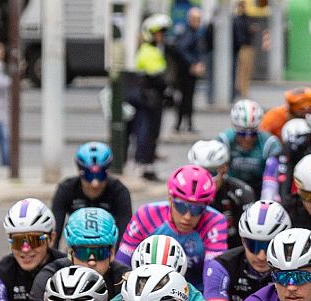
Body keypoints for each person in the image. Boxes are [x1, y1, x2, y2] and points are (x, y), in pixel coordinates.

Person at [117, 165, 229, 292]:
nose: (187, 217)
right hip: (146, 291)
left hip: (194, 294)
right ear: (170, 199)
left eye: (197, 209)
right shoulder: (146, 215)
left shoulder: (215, 222)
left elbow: (214, 275)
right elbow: (122, 265)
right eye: (181, 207)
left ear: (206, 207)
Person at [207, 200, 289, 301]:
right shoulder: (222, 265)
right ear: (242, 240)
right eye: (254, 246)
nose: (261, 256)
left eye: (270, 247)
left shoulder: (296, 268)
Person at [51, 142, 134, 240]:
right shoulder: (66, 189)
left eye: (101, 175)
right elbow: (55, 233)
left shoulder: (119, 191)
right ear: (80, 172)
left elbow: (125, 236)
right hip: (77, 245)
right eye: (89, 176)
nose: (95, 183)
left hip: (107, 245)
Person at [130, 16, 172, 181]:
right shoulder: (148, 51)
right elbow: (156, 77)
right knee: (147, 132)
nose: (161, 36)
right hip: (150, 98)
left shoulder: (152, 50)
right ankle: (144, 165)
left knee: (150, 131)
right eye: (158, 32)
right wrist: (167, 91)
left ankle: (147, 162)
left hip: (153, 98)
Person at [222, 99, 285, 195]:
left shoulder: (270, 143)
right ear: (234, 128)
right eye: (242, 133)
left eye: (252, 132)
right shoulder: (224, 141)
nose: (248, 138)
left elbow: (277, 175)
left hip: (261, 190)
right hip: (230, 191)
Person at [169, 7, 208, 133]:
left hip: (187, 71)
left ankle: (184, 124)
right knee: (186, 98)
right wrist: (193, 64)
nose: (198, 22)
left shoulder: (192, 32)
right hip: (186, 72)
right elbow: (182, 49)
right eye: (196, 19)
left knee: (187, 98)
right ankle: (183, 124)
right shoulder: (188, 33)